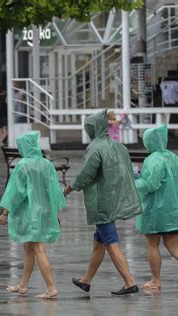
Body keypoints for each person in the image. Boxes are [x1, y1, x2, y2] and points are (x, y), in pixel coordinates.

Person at [64, 110, 142, 296]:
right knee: (99, 243)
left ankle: (130, 282)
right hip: (113, 200)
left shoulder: (95, 148)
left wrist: (68, 189)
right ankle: (86, 280)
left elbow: (85, 175)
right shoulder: (119, 147)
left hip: (100, 203)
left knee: (111, 243)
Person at [0, 131, 66, 299]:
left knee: (38, 249)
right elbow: (54, 190)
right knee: (29, 248)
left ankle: (51, 288)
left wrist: (5, 211)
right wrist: (55, 211)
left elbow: (15, 192)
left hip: (30, 213)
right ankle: (23, 285)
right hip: (44, 211)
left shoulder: (23, 165)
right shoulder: (46, 164)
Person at [134, 125, 178, 291]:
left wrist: (133, 181)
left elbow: (150, 184)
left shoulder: (152, 159)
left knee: (152, 245)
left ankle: (155, 280)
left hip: (154, 210)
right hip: (172, 209)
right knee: (172, 243)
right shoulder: (173, 157)